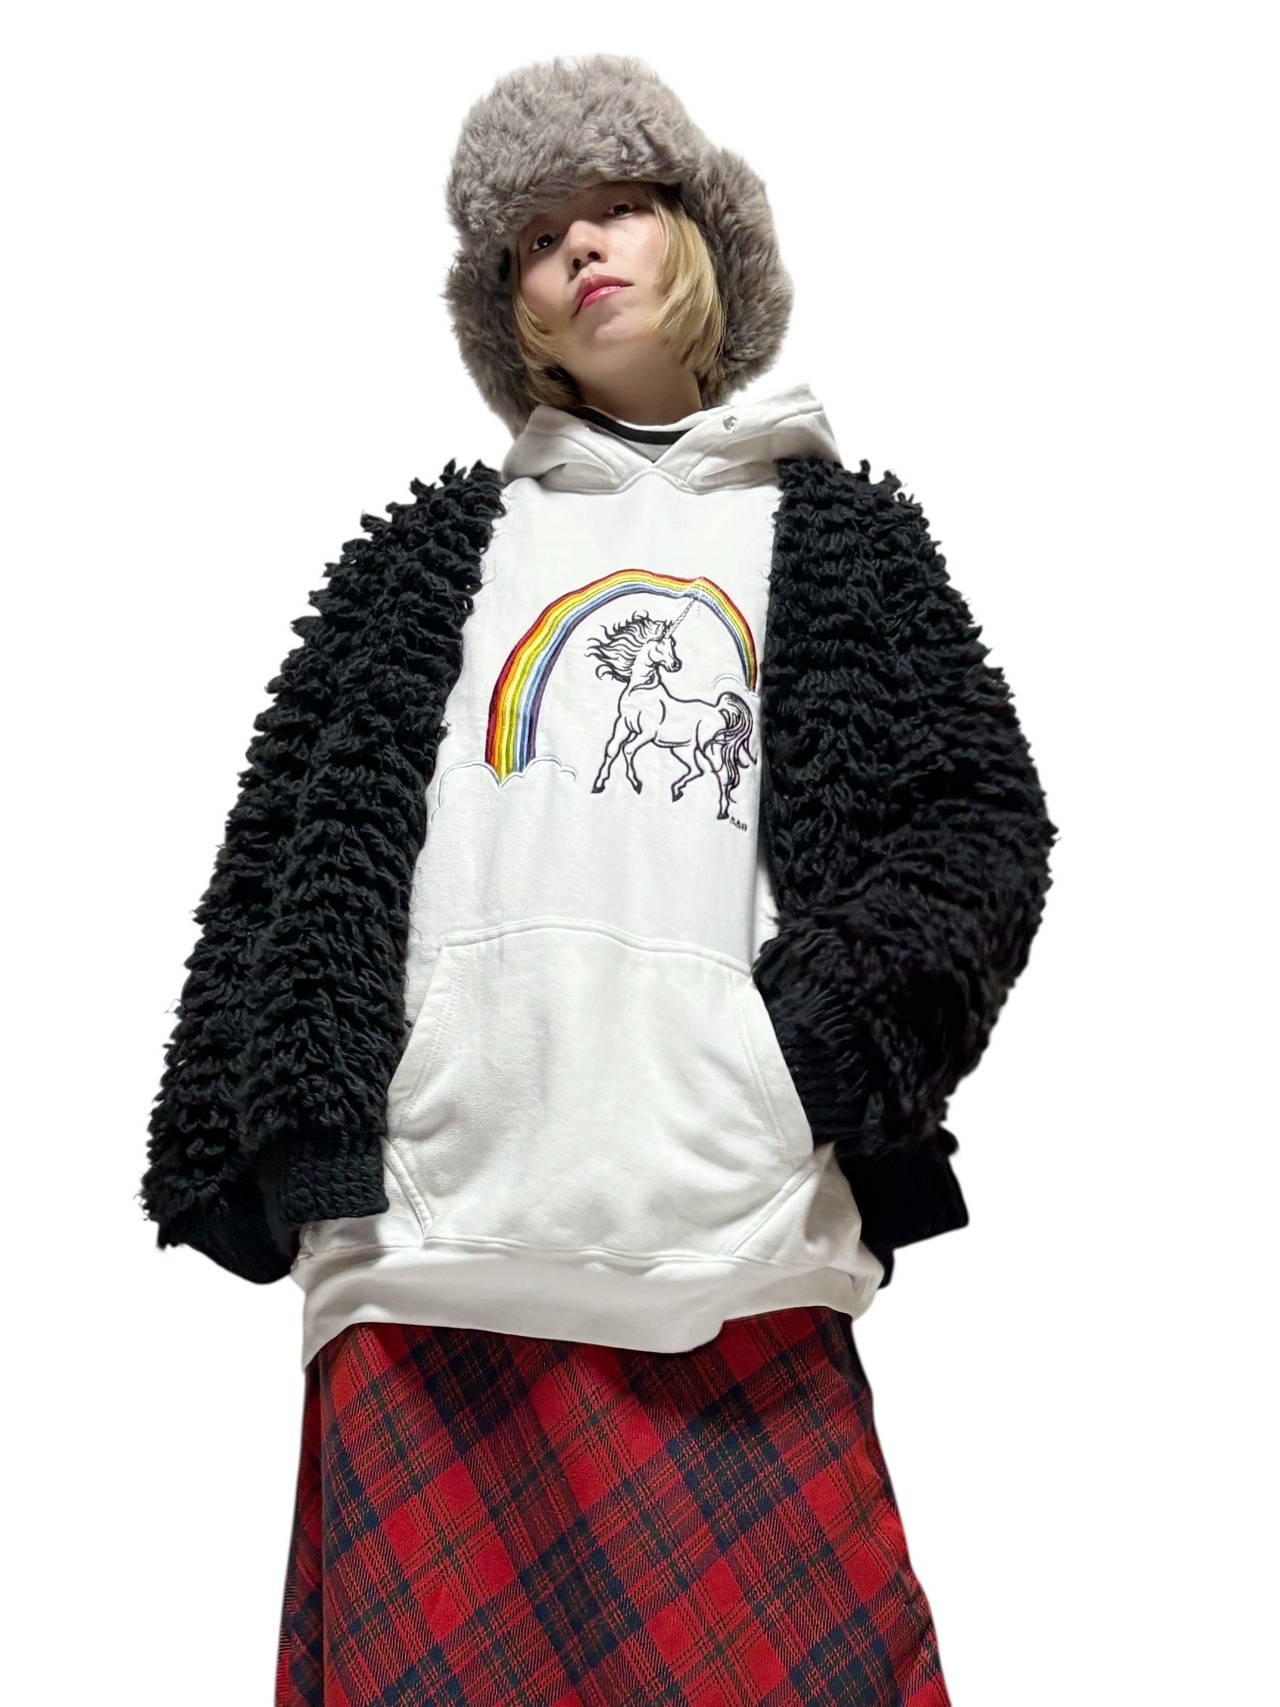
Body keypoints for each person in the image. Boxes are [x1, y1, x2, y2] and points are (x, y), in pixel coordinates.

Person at [141, 53, 1053, 1706]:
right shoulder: (428, 560)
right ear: (516, 312)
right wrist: (275, 1149)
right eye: (535, 237)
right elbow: (281, 865)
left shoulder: (835, 541)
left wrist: (801, 1059)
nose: (577, 245)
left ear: (700, 236)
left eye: (615, 205)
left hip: (730, 1232)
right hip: (432, 1238)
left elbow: (972, 824)